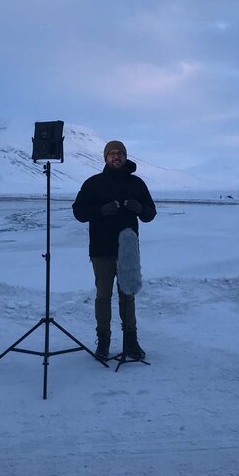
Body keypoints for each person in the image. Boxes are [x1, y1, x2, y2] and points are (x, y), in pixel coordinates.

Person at [72, 140, 157, 361]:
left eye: (120, 153)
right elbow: (79, 212)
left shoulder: (137, 184)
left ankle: (131, 341)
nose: (116, 157)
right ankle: (104, 341)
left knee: (127, 296)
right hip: (101, 249)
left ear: (126, 157)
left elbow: (150, 213)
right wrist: (101, 210)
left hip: (128, 249)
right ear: (105, 158)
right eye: (111, 154)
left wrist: (139, 208)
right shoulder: (94, 183)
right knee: (103, 296)